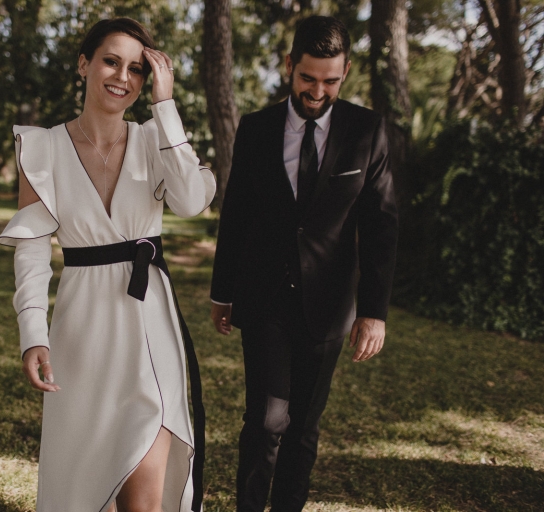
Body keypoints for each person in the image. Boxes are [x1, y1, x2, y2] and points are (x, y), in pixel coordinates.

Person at [0, 18, 214, 512]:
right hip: (83, 330)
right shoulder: (42, 147)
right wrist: (33, 332)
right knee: (87, 483)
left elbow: (191, 200)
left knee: (144, 498)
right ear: (84, 64)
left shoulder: (156, 139)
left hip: (149, 324)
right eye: (111, 61)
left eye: (137, 68)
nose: (122, 77)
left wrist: (166, 106)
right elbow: (32, 248)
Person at [209, 16, 398, 512]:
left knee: (304, 428)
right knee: (267, 420)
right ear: (289, 65)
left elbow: (381, 224)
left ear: (346, 72)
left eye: (330, 80)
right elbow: (237, 216)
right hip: (264, 298)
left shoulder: (367, 129)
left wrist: (374, 311)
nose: (317, 90)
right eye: (308, 78)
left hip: (329, 304)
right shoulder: (255, 129)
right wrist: (221, 291)